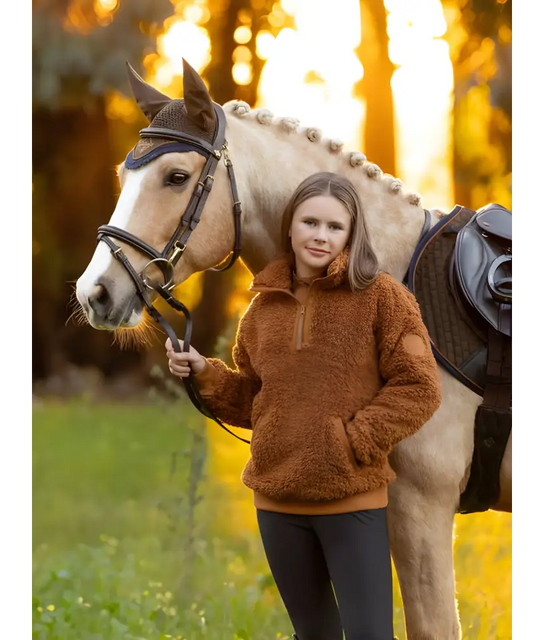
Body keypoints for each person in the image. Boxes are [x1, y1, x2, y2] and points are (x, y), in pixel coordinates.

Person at [166, 171, 442, 640]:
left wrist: (355, 440)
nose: (321, 236)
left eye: (335, 227)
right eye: (310, 222)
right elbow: (256, 400)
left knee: (370, 635)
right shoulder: (260, 310)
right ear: (290, 227)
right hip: (277, 502)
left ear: (352, 234)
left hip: (351, 499)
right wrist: (206, 374)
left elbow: (419, 386)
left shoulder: (382, 298)